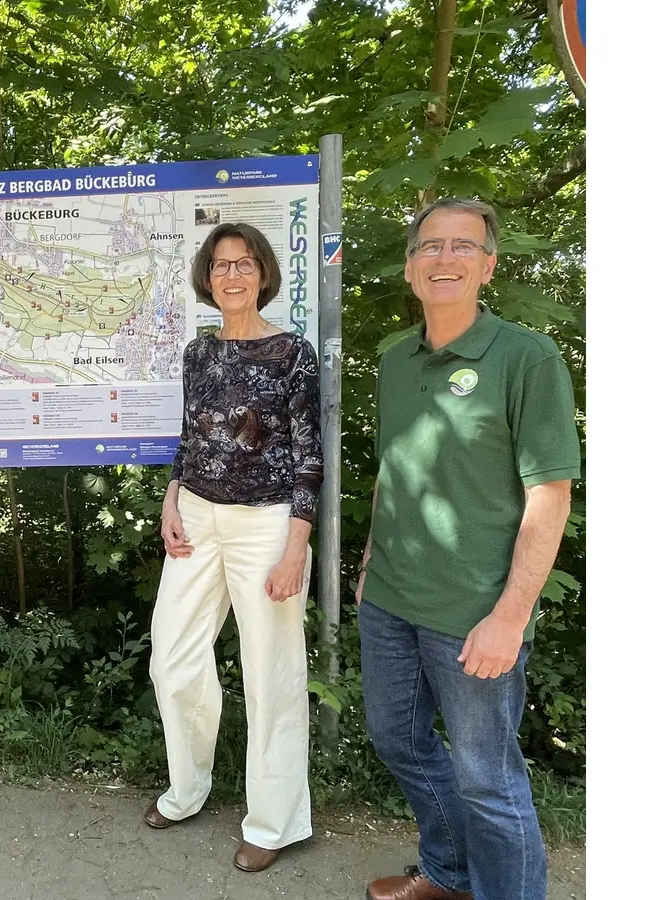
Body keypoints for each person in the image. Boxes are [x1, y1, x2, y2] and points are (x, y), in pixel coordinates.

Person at [358, 198, 581, 900]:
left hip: (476, 612)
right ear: (410, 266)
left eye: (462, 247)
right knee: (398, 740)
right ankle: (450, 875)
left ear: (488, 265)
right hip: (391, 599)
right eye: (430, 246)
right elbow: (397, 472)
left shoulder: (526, 358)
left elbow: (551, 495)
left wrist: (511, 617)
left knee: (489, 779)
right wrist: (366, 567)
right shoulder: (396, 361)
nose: (444, 258)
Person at [143, 222, 322, 873]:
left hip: (265, 525)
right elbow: (190, 438)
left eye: (245, 264)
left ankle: (273, 822)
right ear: (208, 277)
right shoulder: (198, 353)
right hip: (195, 517)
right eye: (222, 265)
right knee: (174, 659)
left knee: (272, 672)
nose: (233, 275)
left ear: (263, 274)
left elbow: (308, 456)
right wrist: (171, 497)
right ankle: (189, 789)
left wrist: (296, 545)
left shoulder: (294, 353)